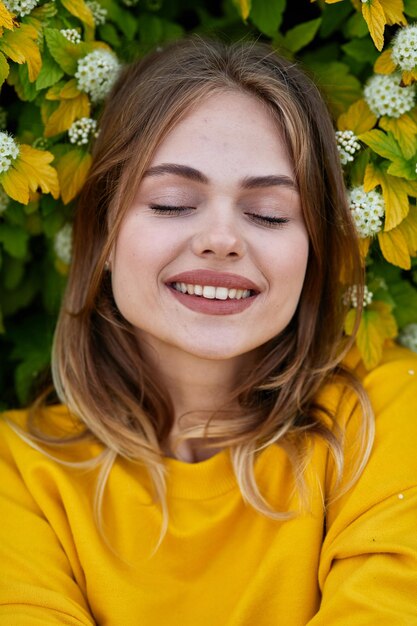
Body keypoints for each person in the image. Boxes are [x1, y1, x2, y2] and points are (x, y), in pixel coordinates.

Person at [1, 37, 417, 625]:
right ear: (105, 237)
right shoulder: (18, 468)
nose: (221, 238)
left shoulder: (386, 412)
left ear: (314, 250)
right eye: (171, 203)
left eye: (269, 213)